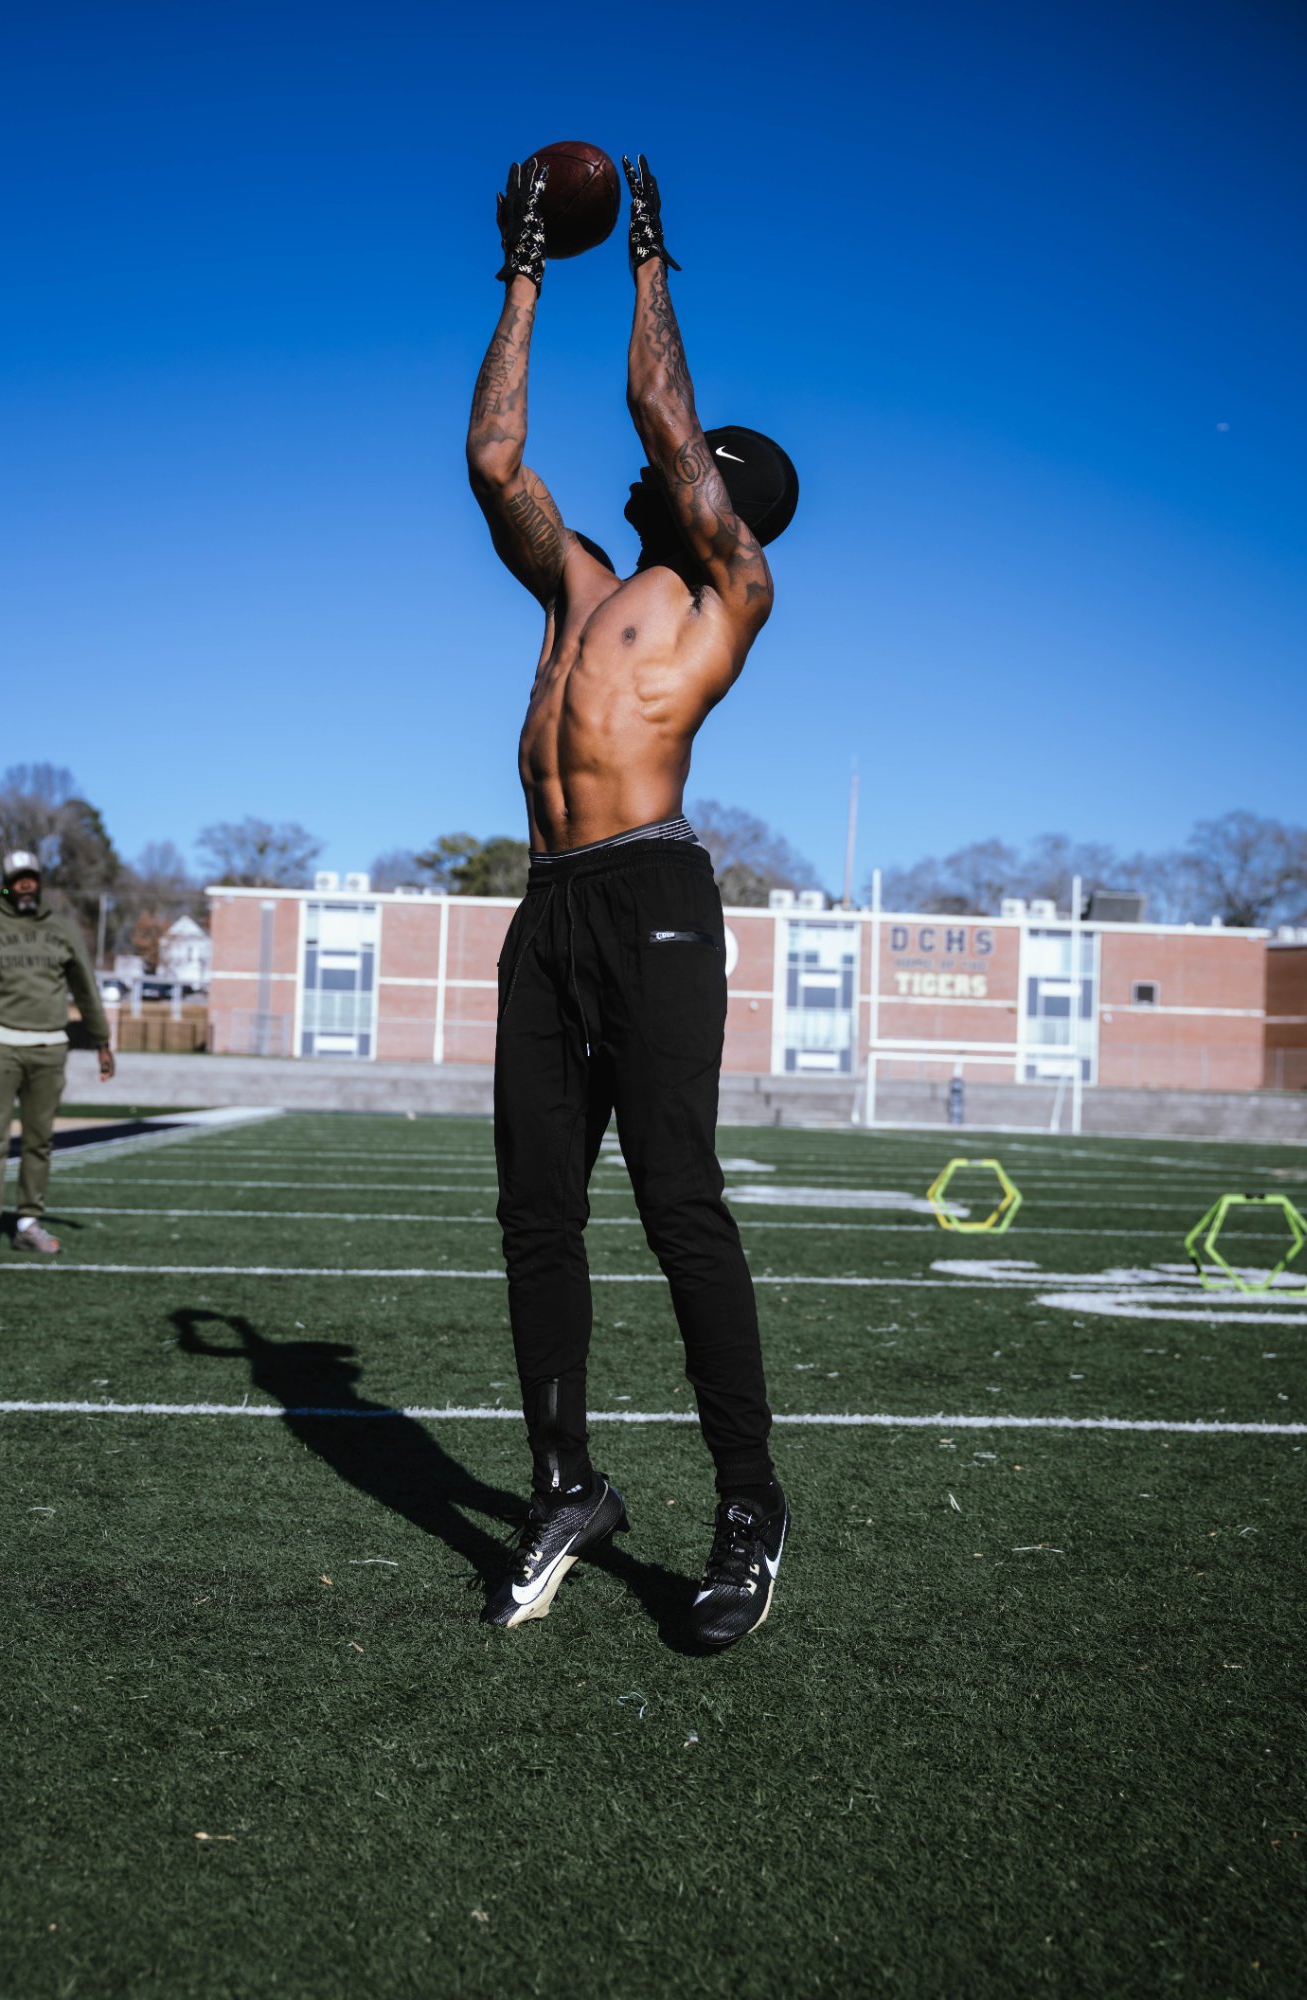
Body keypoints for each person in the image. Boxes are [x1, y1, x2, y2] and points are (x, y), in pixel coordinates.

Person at [466, 153, 800, 1648]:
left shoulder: (729, 586)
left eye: (691, 471)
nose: (663, 473)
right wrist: (527, 274)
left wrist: (650, 257)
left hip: (655, 899)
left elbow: (665, 417)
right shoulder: (578, 587)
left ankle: (748, 1501)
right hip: (550, 912)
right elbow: (492, 459)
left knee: (678, 1204)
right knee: (537, 1214)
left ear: (725, 498)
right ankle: (566, 1484)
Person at [0, 850, 115, 1260]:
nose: (26, 885)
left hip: (49, 1045)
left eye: (32, 878)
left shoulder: (61, 930)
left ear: (40, 883)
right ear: (6, 884)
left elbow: (85, 987)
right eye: (18, 879)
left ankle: (28, 1222)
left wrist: (102, 1040)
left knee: (40, 1140)